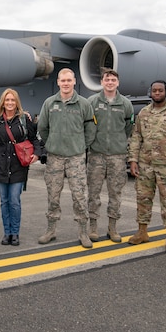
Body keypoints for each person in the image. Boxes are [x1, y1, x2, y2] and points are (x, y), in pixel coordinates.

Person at [127, 80, 166, 252]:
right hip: (145, 164)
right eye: (154, 90)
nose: (157, 93)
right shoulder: (143, 113)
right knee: (143, 199)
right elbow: (136, 137)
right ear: (150, 92)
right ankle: (142, 232)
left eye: (160, 90)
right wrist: (133, 160)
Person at [37, 68, 96, 248]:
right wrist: (52, 144)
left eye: (69, 80)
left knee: (79, 196)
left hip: (76, 158)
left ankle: (83, 232)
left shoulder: (84, 104)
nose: (66, 83)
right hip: (55, 158)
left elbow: (91, 129)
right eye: (63, 80)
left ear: (74, 81)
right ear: (58, 82)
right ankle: (51, 230)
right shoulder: (49, 103)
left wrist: (80, 146)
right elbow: (43, 128)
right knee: (53, 196)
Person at [86, 68, 134, 243]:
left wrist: (118, 143)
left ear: (118, 83)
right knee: (93, 192)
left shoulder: (125, 104)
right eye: (107, 80)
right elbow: (88, 126)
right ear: (102, 82)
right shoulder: (92, 101)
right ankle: (93, 227)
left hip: (117, 156)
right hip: (96, 155)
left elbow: (129, 127)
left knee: (115, 193)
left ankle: (112, 228)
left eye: (113, 80)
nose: (110, 82)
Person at [0, 88, 42, 246]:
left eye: (13, 100)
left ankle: (15, 233)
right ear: (3, 102)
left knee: (14, 201)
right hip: (0, 164)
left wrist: (38, 154)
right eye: (7, 100)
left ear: (17, 102)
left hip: (18, 165)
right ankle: (6, 233)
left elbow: (34, 139)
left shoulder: (24, 119)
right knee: (4, 201)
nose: (10, 103)